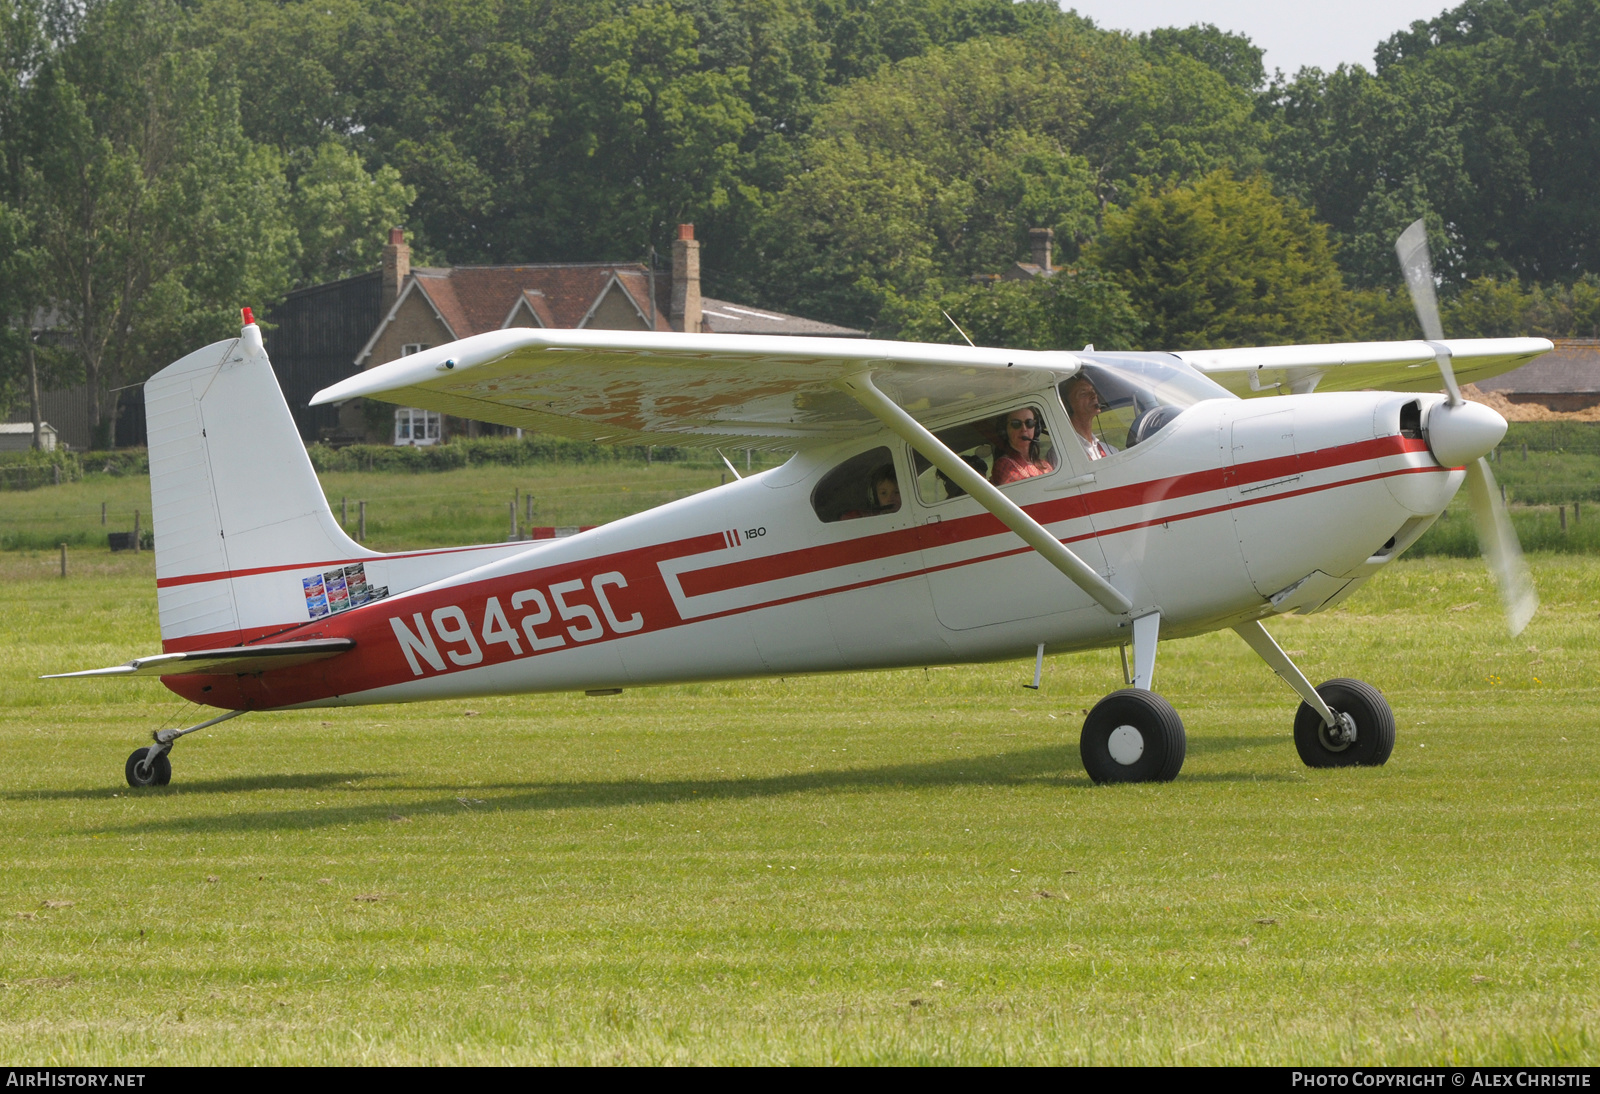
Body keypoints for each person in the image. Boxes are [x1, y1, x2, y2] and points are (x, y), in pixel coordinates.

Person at [991, 407, 1053, 485]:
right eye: (1016, 424)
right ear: (1005, 430)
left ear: (1036, 429)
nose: (1024, 429)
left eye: (1029, 423)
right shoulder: (1003, 465)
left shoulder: (1045, 465)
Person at [1064, 374, 1115, 461]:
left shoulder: (1111, 450)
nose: (1094, 396)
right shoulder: (1063, 454)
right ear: (1068, 405)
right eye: (1084, 394)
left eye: (1093, 391)